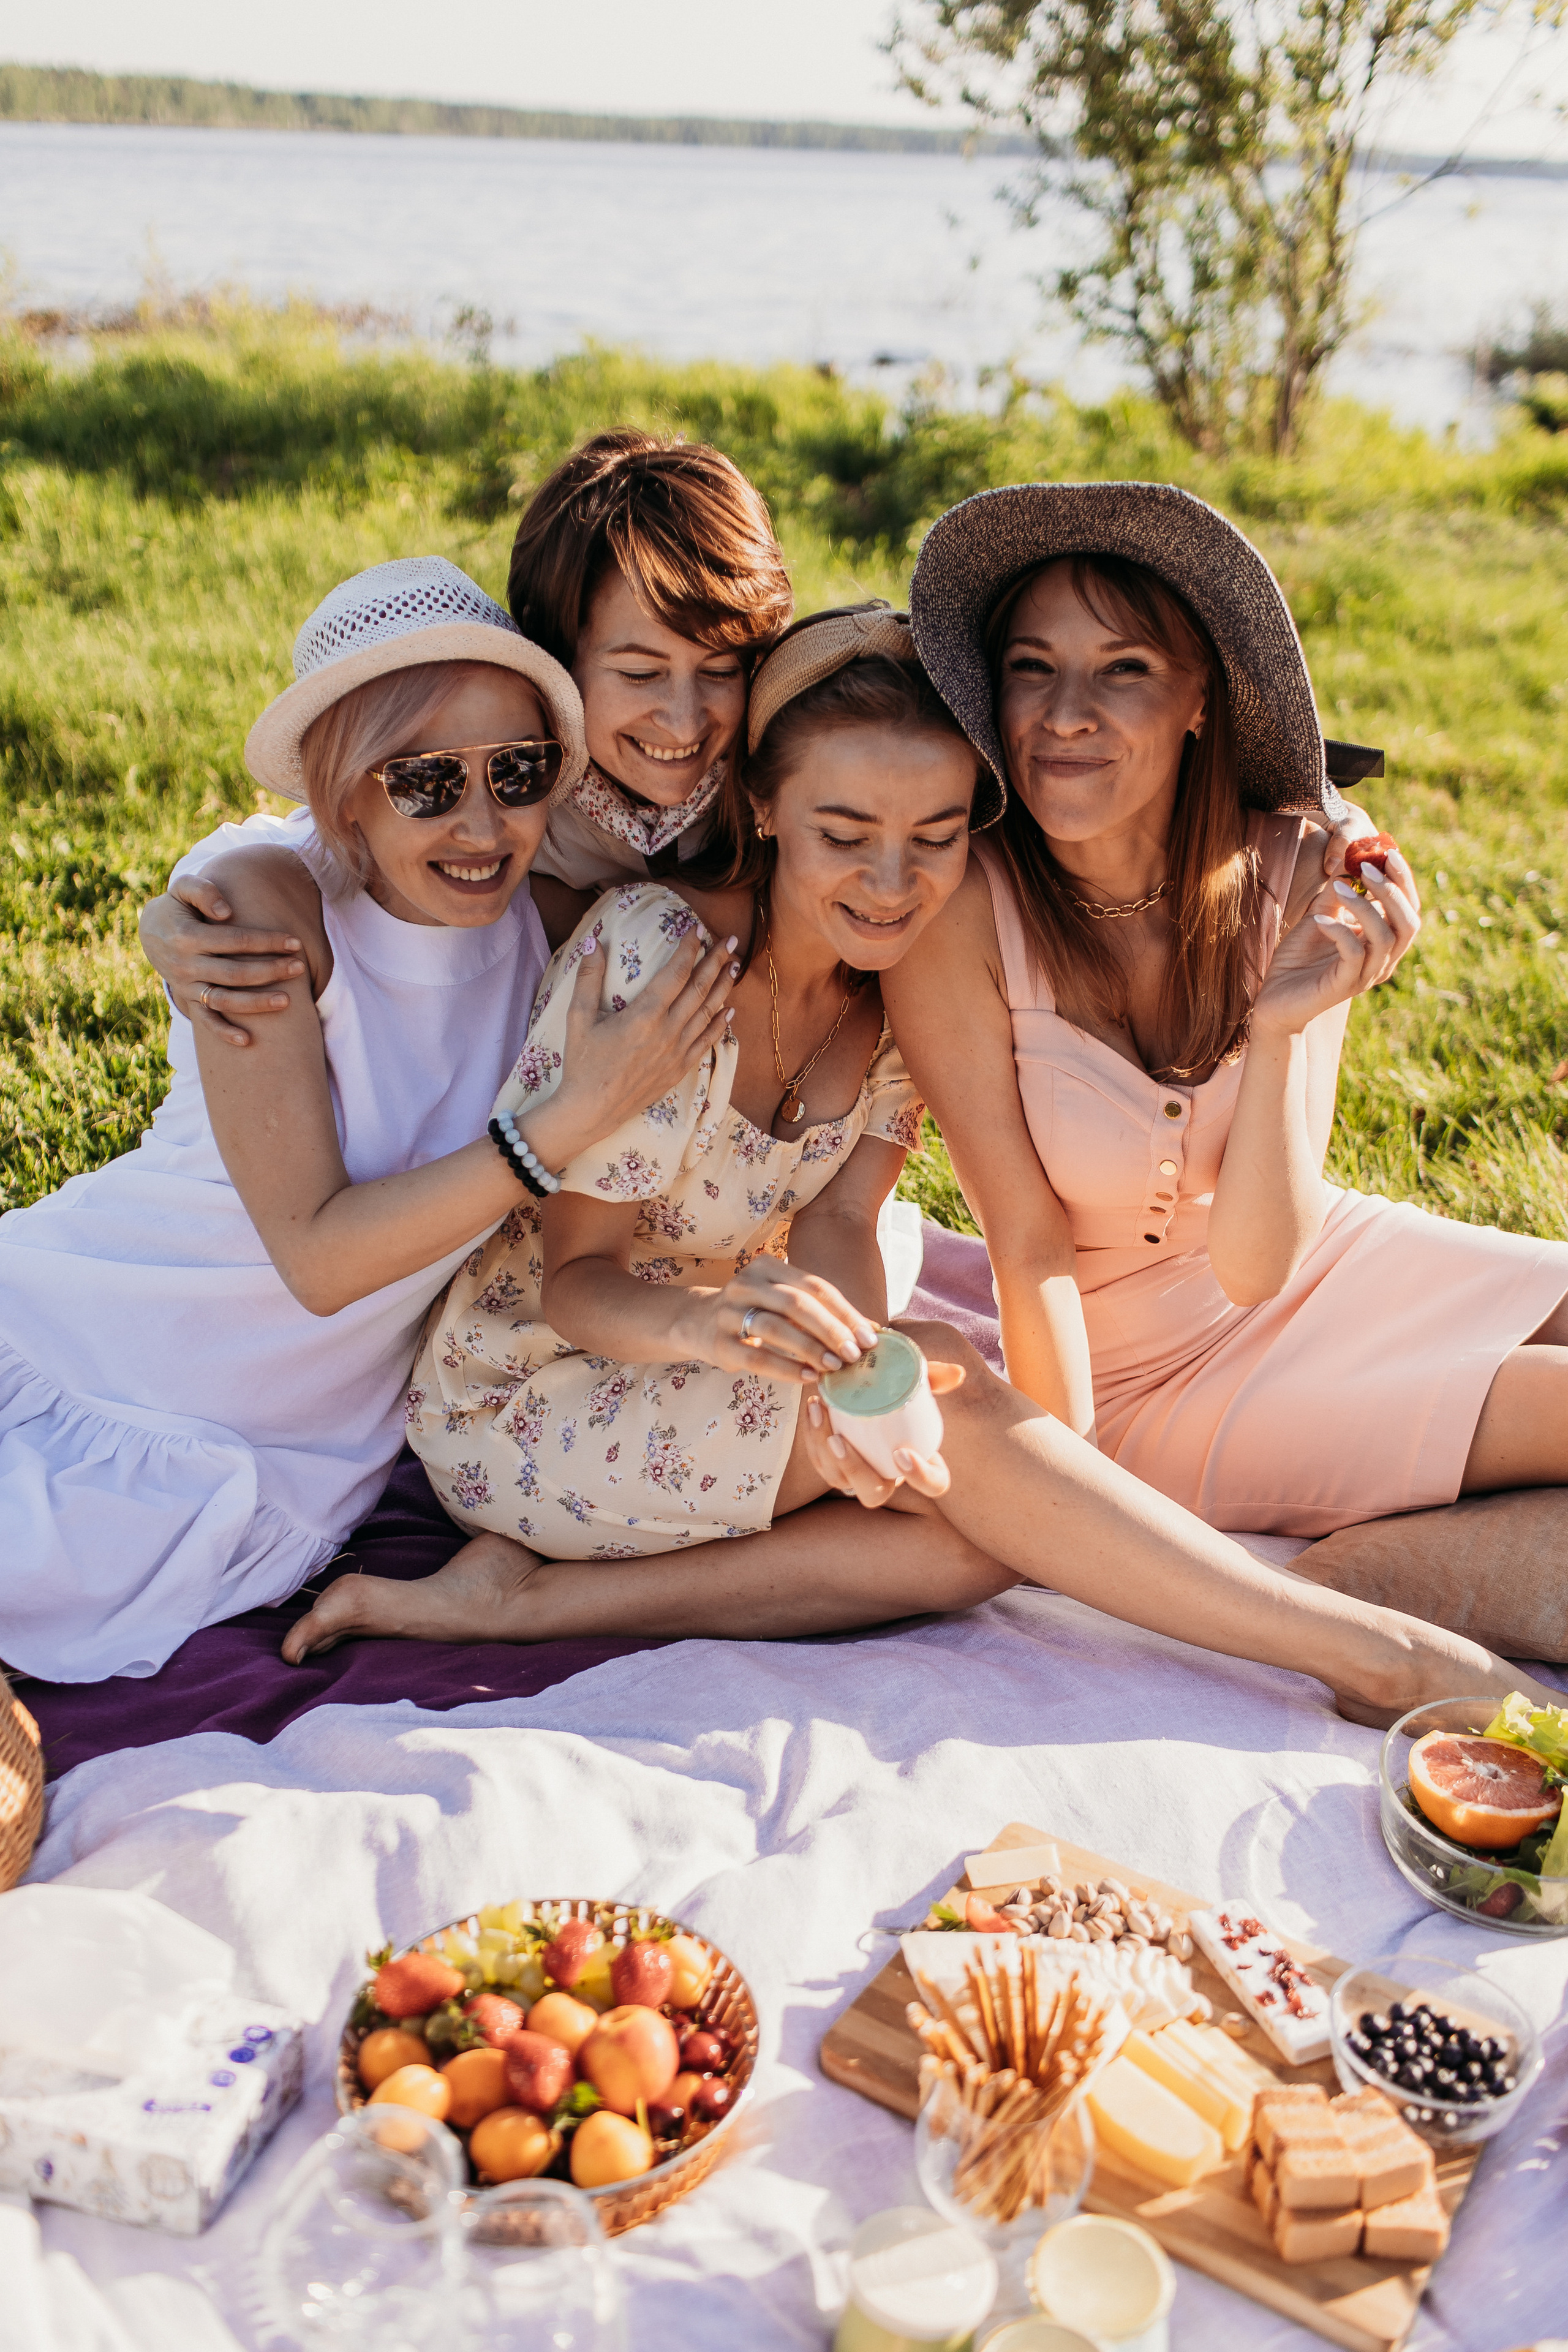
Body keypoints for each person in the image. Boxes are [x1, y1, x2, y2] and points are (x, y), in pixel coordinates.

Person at [281, 604, 1555, 1725]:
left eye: (933, 837)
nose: (891, 883)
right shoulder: (655, 956)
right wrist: (734, 1332)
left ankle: (526, 1604)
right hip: (533, 1391)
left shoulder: (885, 995)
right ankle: (1380, 1659)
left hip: (715, 1363)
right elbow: (577, 1287)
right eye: (844, 833)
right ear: (766, 810)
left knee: (965, 1526)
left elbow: (841, 1222)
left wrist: (859, 1371)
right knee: (969, 1418)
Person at [0, 557, 731, 1683]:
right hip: (82, 1351)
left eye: (520, 770)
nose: (483, 823)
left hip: (282, 1453)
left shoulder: (554, 921)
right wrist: (567, 1119)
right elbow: (319, 1257)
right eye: (427, 782)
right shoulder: (265, 908)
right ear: (344, 793)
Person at [882, 481, 1568, 1570]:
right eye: (1032, 665)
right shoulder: (962, 911)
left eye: (1125, 669)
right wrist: (1075, 1499)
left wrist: (1287, 1025)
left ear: (1201, 694)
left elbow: (1266, 1258)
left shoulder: (1297, 867)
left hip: (1327, 1260)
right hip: (1147, 1380)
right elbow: (1029, 1242)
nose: (1066, 712)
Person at [137, 432, 793, 1038]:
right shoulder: (515, 781)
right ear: (556, 656)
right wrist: (176, 915)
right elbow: (327, 833)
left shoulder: (771, 767)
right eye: (640, 673)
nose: (683, 719)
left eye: (720, 670)